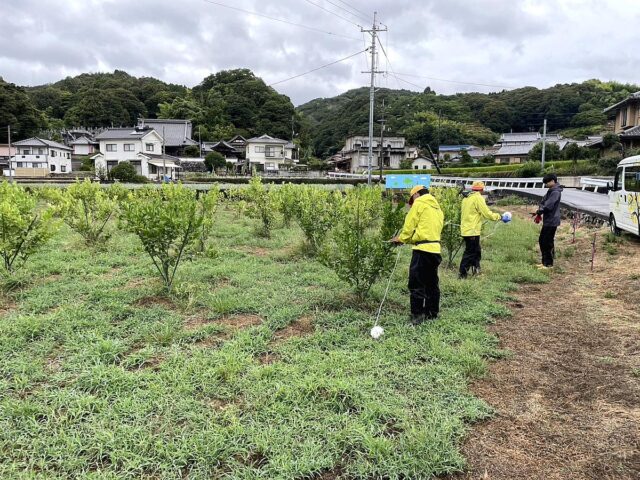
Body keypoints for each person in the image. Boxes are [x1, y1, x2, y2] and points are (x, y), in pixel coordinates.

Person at [391, 185, 444, 324]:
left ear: (416, 195)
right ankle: (432, 313)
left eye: (411, 200)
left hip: (422, 251)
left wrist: (401, 239)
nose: (412, 203)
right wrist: (409, 239)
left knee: (416, 283)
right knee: (432, 283)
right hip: (435, 250)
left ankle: (417, 316)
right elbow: (428, 230)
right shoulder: (437, 208)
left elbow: (409, 225)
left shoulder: (419, 203)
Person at [459, 181, 505, 278]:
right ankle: (462, 275)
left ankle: (476, 271)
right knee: (470, 253)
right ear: (482, 189)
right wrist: (500, 217)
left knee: (476, 251)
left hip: (466, 229)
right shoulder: (477, 198)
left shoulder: (466, 198)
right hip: (472, 231)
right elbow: (487, 213)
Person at [534, 173, 563, 268]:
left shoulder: (555, 192)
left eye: (546, 182)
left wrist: (540, 211)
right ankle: (545, 262)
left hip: (552, 220)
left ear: (552, 181)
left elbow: (548, 205)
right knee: (544, 240)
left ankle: (548, 264)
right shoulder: (551, 190)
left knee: (546, 242)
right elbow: (543, 202)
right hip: (549, 219)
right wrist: (540, 210)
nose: (545, 184)